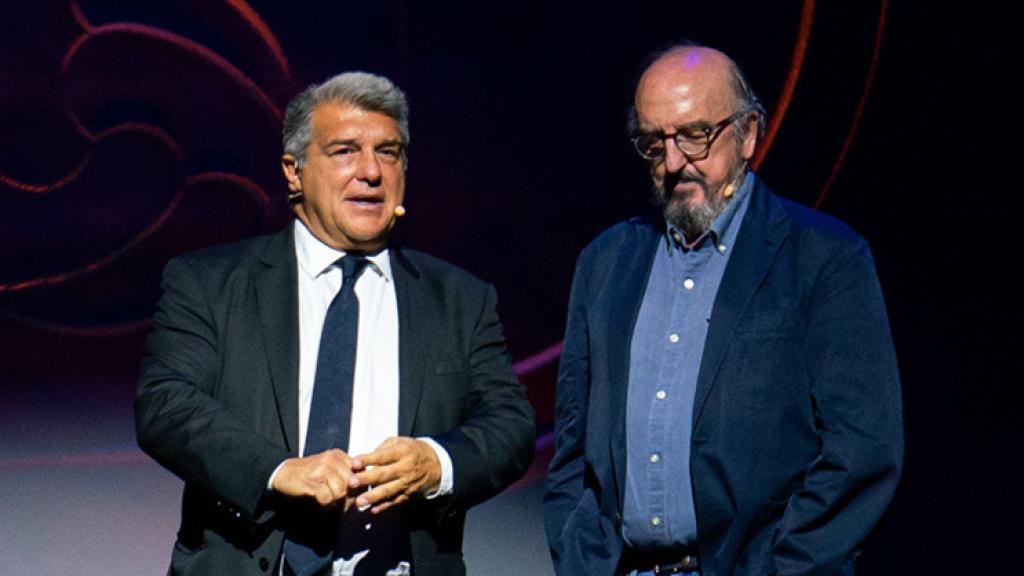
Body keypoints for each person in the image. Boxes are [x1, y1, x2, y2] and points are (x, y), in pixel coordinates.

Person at [136, 71, 535, 576]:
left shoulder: (458, 299)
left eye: (388, 153)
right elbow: (165, 405)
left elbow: (512, 426)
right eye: (345, 150)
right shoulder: (209, 283)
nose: (371, 172)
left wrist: (437, 464)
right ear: (294, 171)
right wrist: (279, 471)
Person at [543, 44, 903, 576]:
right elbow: (571, 452)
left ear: (749, 132)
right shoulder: (605, 264)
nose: (672, 162)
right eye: (652, 142)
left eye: (694, 135)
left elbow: (863, 450)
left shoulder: (823, 258)